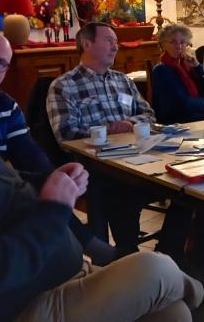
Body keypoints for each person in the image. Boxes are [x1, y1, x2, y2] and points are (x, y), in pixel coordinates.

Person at [0, 38, 203, 321]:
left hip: (57, 272)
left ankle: (189, 294)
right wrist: (53, 208)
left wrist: (50, 181)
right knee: (155, 270)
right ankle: (203, 291)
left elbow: (6, 178)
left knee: (173, 313)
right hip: (22, 304)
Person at [0, 30, 117, 266]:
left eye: (0, 63)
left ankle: (88, 253)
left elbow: (30, 156)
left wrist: (57, 178)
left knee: (50, 184)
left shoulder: (6, 105)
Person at [47, 22, 157, 254]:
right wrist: (108, 130)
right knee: (121, 195)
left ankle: (173, 249)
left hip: (137, 160)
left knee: (182, 193)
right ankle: (125, 256)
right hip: (98, 167)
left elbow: (149, 115)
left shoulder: (124, 81)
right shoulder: (64, 86)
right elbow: (65, 134)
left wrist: (129, 123)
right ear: (87, 44)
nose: (115, 47)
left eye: (116, 42)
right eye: (109, 41)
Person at [150, 23, 204, 124]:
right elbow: (182, 104)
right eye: (173, 42)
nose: (179, 46)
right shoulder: (161, 70)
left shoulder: (188, 64)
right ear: (163, 45)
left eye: (182, 42)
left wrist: (197, 66)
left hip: (198, 118)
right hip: (177, 124)